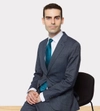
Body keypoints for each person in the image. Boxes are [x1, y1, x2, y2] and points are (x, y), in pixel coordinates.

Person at [20, 3, 81, 111]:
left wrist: (42, 97)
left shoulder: (73, 46)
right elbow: (38, 73)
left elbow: (69, 81)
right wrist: (32, 90)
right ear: (43, 20)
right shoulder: (42, 45)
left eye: (56, 18)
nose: (52, 22)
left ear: (62, 20)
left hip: (60, 98)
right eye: (48, 18)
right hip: (38, 94)